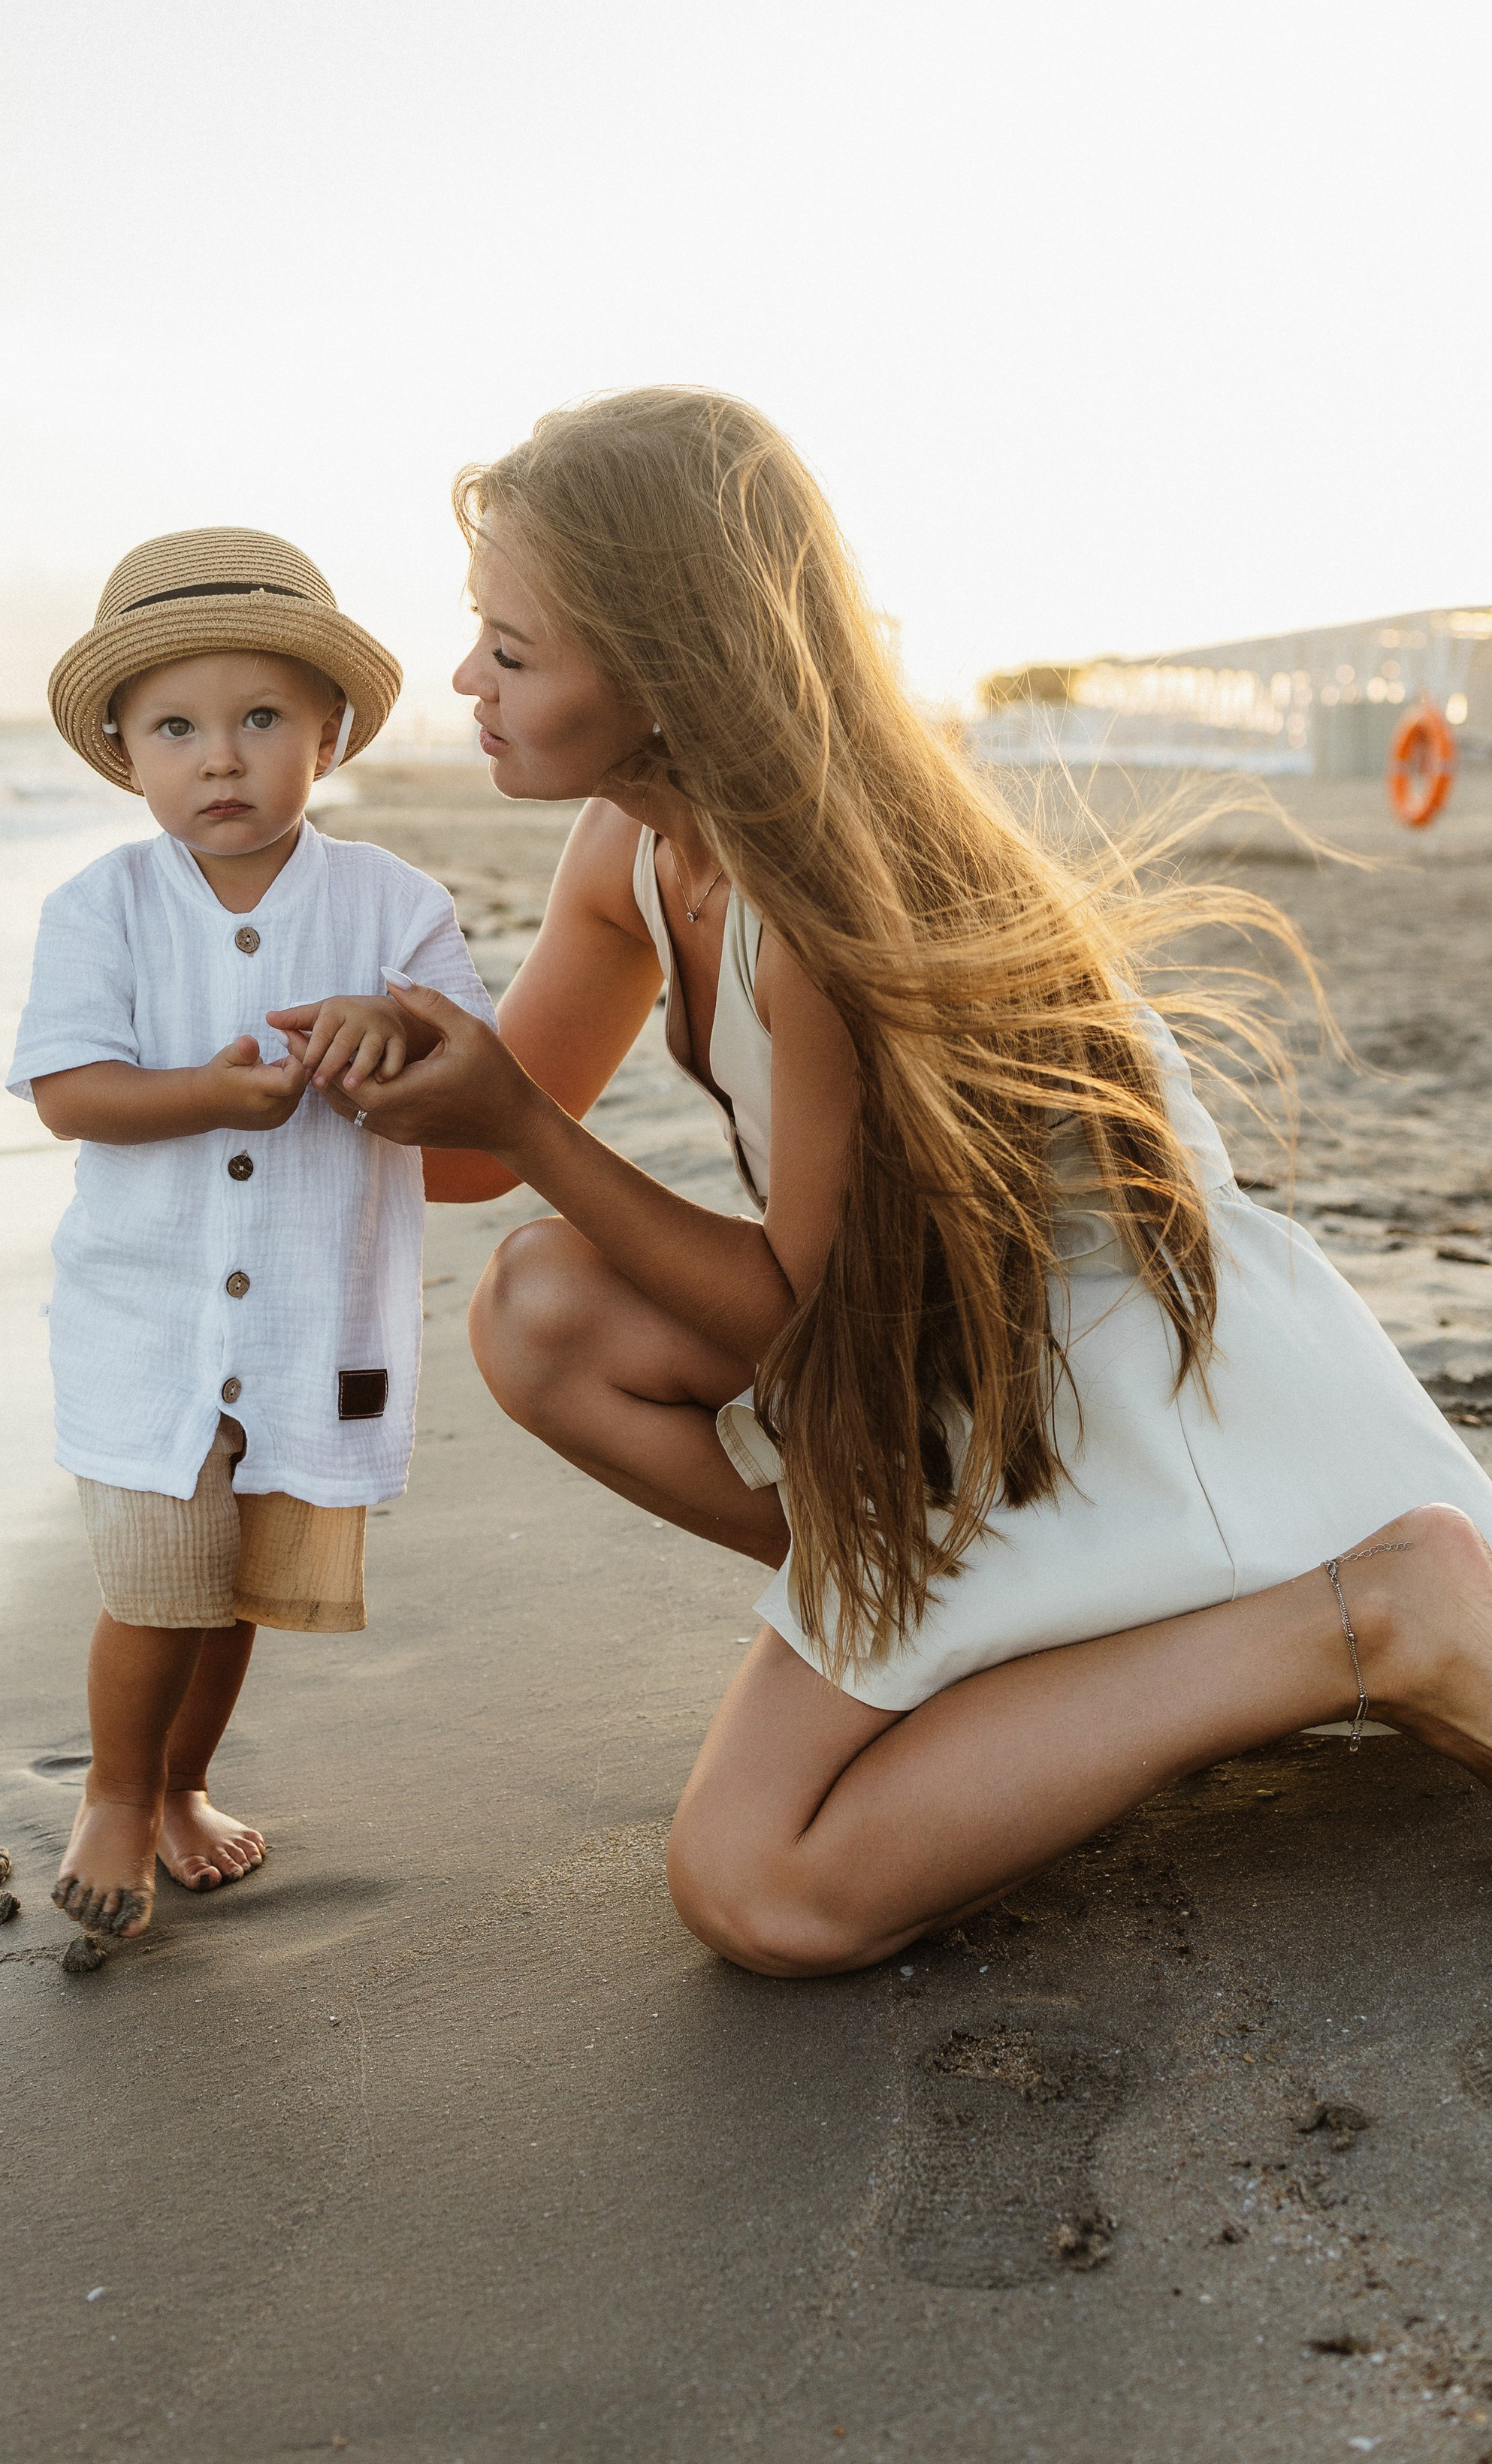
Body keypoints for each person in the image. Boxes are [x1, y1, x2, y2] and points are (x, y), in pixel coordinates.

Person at [343, 388, 1492, 1978]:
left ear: (669, 670)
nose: (462, 679)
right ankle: (1034, 1660)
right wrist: (299, 1040)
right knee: (540, 1308)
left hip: (1109, 1395)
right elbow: (468, 1155)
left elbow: (792, 1313)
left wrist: (535, 1135)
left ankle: (1364, 1612)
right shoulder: (623, 848)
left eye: (511, 652)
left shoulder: (816, 896)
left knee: (761, 1889)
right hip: (931, 1365)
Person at [9, 527, 493, 1940]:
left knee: (230, 1594)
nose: (219, 759)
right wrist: (212, 1095)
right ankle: (112, 1787)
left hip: (302, 1314)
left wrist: (391, 1024)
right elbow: (69, 1093)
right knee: (160, 1572)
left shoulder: (393, 904)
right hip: (147, 1316)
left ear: (329, 732)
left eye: (260, 719)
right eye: (177, 728)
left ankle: (182, 1786)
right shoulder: (100, 905)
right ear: (124, 750)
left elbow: (472, 1065)